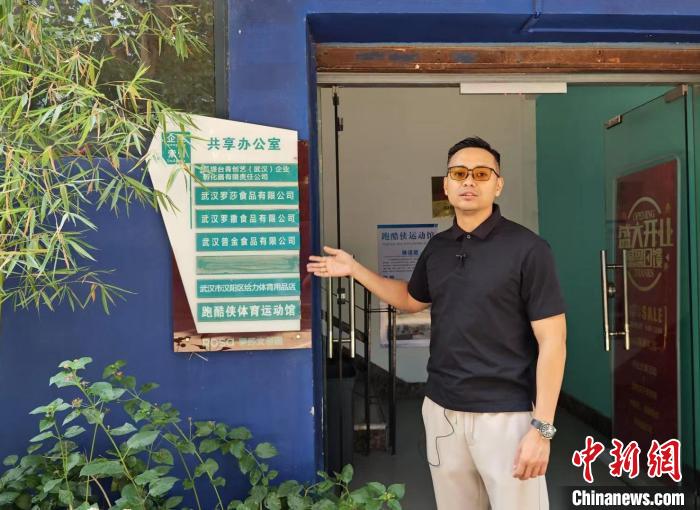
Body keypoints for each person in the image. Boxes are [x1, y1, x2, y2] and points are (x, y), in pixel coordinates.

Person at [306, 136, 566, 510]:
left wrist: (542, 429)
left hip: (506, 415)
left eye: (481, 173)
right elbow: (411, 299)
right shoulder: (438, 247)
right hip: (443, 411)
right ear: (446, 185)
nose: (469, 181)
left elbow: (553, 341)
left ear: (498, 184)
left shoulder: (529, 249)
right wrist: (355, 269)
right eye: (459, 173)